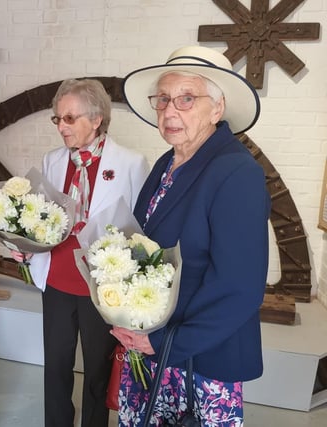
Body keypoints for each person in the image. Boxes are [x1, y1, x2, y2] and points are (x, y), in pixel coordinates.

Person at [112, 46, 271, 426]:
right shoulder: (169, 162)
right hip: (154, 347)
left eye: (186, 99)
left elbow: (240, 288)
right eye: (163, 99)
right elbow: (143, 247)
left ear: (217, 108)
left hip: (200, 359)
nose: (170, 111)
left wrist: (166, 341)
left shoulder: (236, 173)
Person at [15, 78, 149, 427]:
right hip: (57, 278)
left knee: (97, 371)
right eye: (58, 119)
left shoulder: (132, 163)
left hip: (101, 285)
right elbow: (41, 218)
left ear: (97, 119)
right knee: (56, 366)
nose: (61, 126)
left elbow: (141, 230)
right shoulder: (52, 160)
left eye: (70, 118)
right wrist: (25, 246)